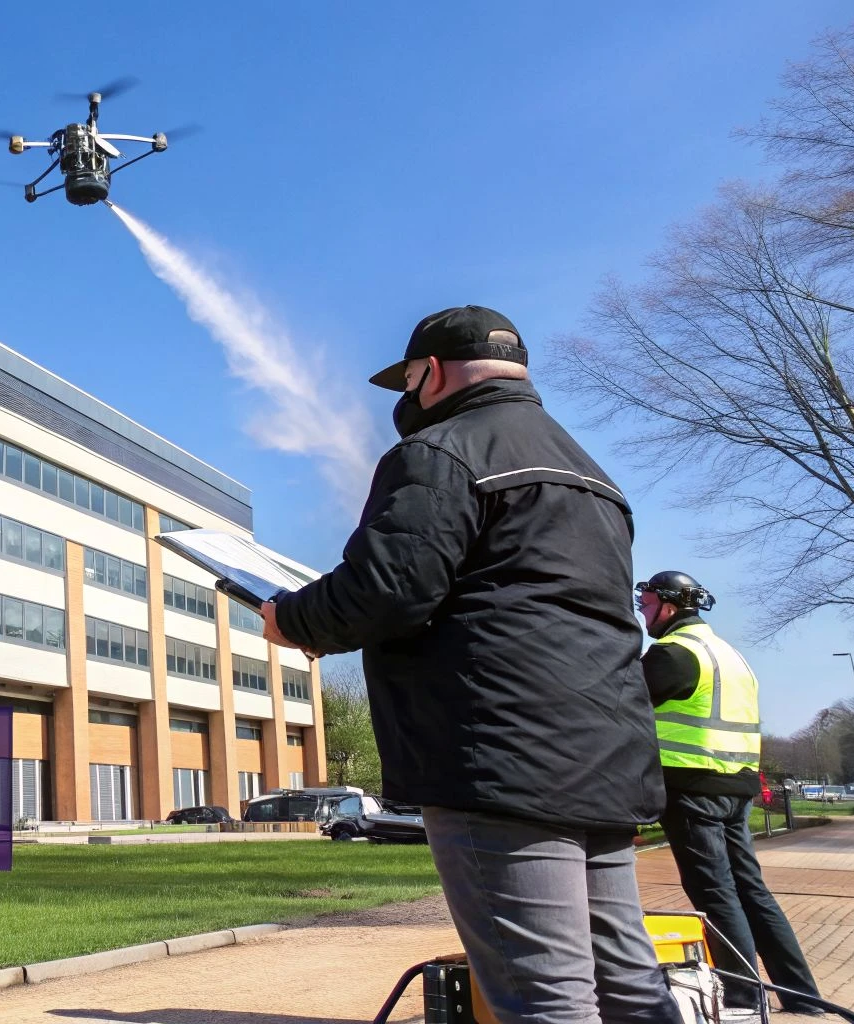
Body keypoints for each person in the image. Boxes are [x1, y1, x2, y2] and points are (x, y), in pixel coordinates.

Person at [262, 306, 679, 1024]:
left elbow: (389, 589)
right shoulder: (594, 476)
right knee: (629, 985)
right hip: (606, 762)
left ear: (432, 372)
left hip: (501, 762)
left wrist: (291, 618)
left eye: (410, 378)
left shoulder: (440, 453)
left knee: (546, 998)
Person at [636, 571, 824, 1014]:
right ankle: (803, 997)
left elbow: (618, 705)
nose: (643, 616)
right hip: (735, 788)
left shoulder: (674, 654)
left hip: (692, 787)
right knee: (750, 890)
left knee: (715, 894)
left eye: (644, 607)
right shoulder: (730, 655)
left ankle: (742, 1000)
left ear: (667, 606)